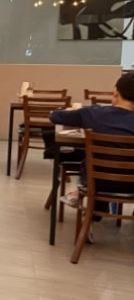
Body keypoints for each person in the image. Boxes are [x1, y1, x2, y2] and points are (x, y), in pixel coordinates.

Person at [50, 71, 134, 209]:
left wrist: (72, 111)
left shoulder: (93, 113)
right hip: (132, 186)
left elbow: (54, 116)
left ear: (115, 94)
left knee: (88, 156)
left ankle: (88, 203)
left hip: (96, 182)